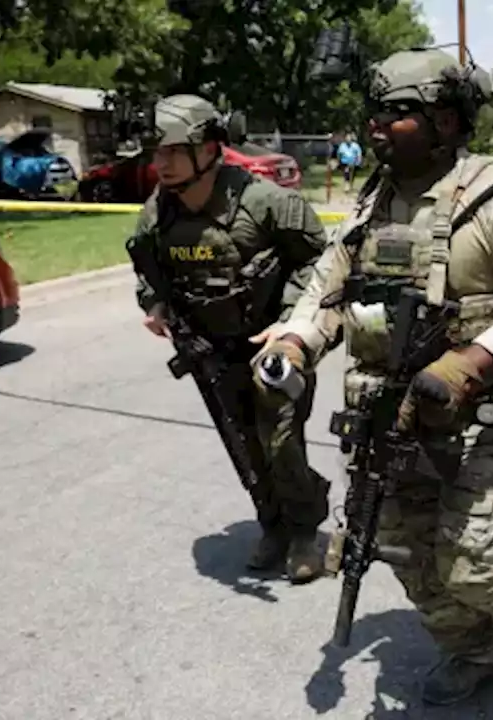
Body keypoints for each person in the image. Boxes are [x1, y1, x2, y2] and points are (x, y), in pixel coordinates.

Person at [253, 48, 493, 704]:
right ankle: (477, 651)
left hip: (488, 425)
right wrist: (292, 342)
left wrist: (466, 367)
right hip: (390, 424)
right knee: (406, 555)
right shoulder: (372, 204)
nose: (377, 125)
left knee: (475, 567)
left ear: (448, 121)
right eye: (374, 112)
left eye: (398, 113)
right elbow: (328, 291)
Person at [131, 94, 332, 583]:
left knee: (280, 438)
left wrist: (289, 322)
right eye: (156, 153)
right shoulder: (159, 214)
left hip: (273, 348)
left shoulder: (266, 202)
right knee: (242, 443)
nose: (161, 163)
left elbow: (319, 263)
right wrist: (154, 304)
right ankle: (274, 524)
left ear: (209, 148)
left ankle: (305, 531)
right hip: (211, 350)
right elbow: (147, 268)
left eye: (173, 151)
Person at [336, 131, 363, 195]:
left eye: (349, 138)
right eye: (347, 138)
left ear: (351, 139)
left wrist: (358, 161)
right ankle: (347, 185)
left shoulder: (355, 145)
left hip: (353, 163)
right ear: (345, 138)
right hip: (344, 163)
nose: (348, 139)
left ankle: (350, 186)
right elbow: (339, 154)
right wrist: (338, 161)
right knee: (346, 173)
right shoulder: (342, 145)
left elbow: (359, 154)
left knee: (351, 175)